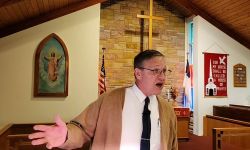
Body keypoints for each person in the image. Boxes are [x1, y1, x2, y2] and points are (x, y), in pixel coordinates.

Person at [29, 49, 178, 150]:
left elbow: (172, 146)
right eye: (156, 71)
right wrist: (66, 135)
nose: (163, 77)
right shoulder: (109, 100)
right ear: (138, 74)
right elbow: (82, 129)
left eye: (164, 71)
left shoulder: (167, 110)